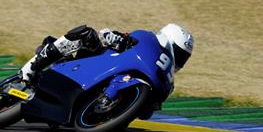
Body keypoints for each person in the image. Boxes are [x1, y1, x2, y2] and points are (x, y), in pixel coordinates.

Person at [19, 23, 194, 83]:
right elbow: (105, 33)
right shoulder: (139, 42)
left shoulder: (166, 81)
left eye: (183, 58)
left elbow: (146, 114)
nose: (179, 60)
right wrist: (114, 38)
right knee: (86, 34)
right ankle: (33, 66)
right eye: (179, 53)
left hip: (98, 84)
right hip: (89, 63)